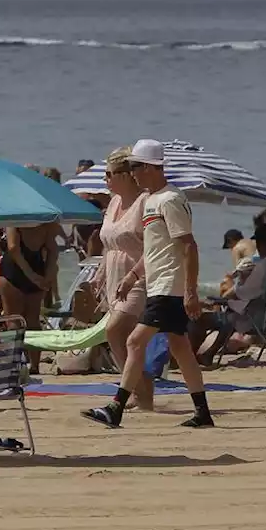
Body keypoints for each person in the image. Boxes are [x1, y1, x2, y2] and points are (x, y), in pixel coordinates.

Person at [83, 139, 214, 428]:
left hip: (168, 286)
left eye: (135, 168)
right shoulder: (153, 200)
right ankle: (202, 412)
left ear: (150, 167)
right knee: (180, 347)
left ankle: (116, 407)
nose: (133, 174)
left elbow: (189, 246)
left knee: (132, 340)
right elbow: (154, 249)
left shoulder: (170, 199)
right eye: (130, 168)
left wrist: (191, 291)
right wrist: (132, 277)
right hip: (157, 283)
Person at [91, 147, 154, 410]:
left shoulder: (145, 202)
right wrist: (100, 274)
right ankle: (141, 390)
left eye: (111, 174)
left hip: (140, 275)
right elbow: (110, 244)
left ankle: (139, 390)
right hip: (115, 276)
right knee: (124, 337)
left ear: (128, 174)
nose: (106, 179)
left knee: (115, 331)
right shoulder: (114, 203)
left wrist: (131, 275)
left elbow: (153, 247)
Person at [191, 224, 266, 366]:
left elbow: (241, 292)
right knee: (230, 315)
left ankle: (188, 357)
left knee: (200, 318)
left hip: (252, 320)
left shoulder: (260, 268)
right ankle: (208, 354)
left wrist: (220, 300)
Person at [0, 225, 57, 372]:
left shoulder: (16, 217)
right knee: (33, 320)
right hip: (37, 265)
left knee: (13, 320)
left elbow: (13, 248)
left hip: (14, 269)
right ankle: (35, 365)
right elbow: (53, 249)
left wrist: (30, 275)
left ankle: (15, 363)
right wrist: (48, 275)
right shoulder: (45, 219)